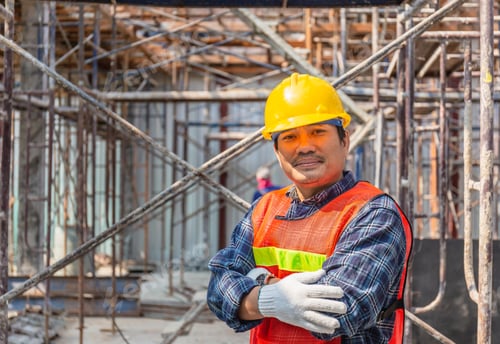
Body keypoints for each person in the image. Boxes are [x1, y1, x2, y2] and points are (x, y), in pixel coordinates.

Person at [207, 73, 413, 343]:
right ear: (277, 150)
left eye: (318, 132)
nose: (304, 147)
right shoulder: (264, 209)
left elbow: (341, 311)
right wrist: (271, 298)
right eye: (290, 137)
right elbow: (217, 292)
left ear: (344, 139)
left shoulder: (373, 213)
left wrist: (256, 287)